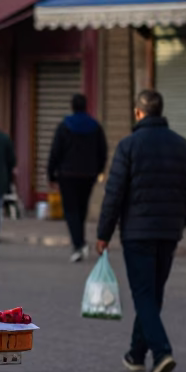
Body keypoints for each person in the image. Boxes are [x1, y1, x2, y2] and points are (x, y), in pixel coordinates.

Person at [96, 90, 186, 372]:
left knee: (144, 295)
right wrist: (180, 220)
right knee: (153, 294)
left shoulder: (129, 145)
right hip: (169, 233)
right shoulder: (184, 146)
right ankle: (135, 353)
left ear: (138, 113)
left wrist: (103, 233)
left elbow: (114, 193)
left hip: (137, 232)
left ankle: (161, 352)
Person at [48, 93, 108, 262]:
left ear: (72, 106)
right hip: (88, 175)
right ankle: (81, 242)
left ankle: (78, 245)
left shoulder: (64, 126)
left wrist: (51, 174)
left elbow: (55, 151)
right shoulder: (95, 127)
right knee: (82, 209)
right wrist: (98, 171)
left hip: (67, 175)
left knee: (71, 211)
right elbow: (103, 151)